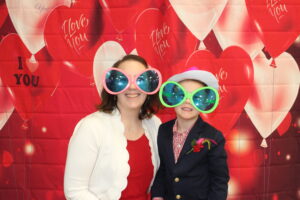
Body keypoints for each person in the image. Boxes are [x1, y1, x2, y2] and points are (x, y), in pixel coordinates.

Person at [64, 54, 162, 200]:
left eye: (141, 80)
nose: (133, 86)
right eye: (123, 80)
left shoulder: (154, 124)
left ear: (149, 89)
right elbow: (74, 191)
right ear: (112, 87)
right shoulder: (91, 127)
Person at [151, 70, 230, 200]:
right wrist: (157, 195)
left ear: (204, 103)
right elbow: (162, 168)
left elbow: (219, 181)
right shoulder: (163, 130)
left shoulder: (214, 137)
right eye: (181, 95)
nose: (187, 101)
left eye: (196, 97)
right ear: (172, 98)